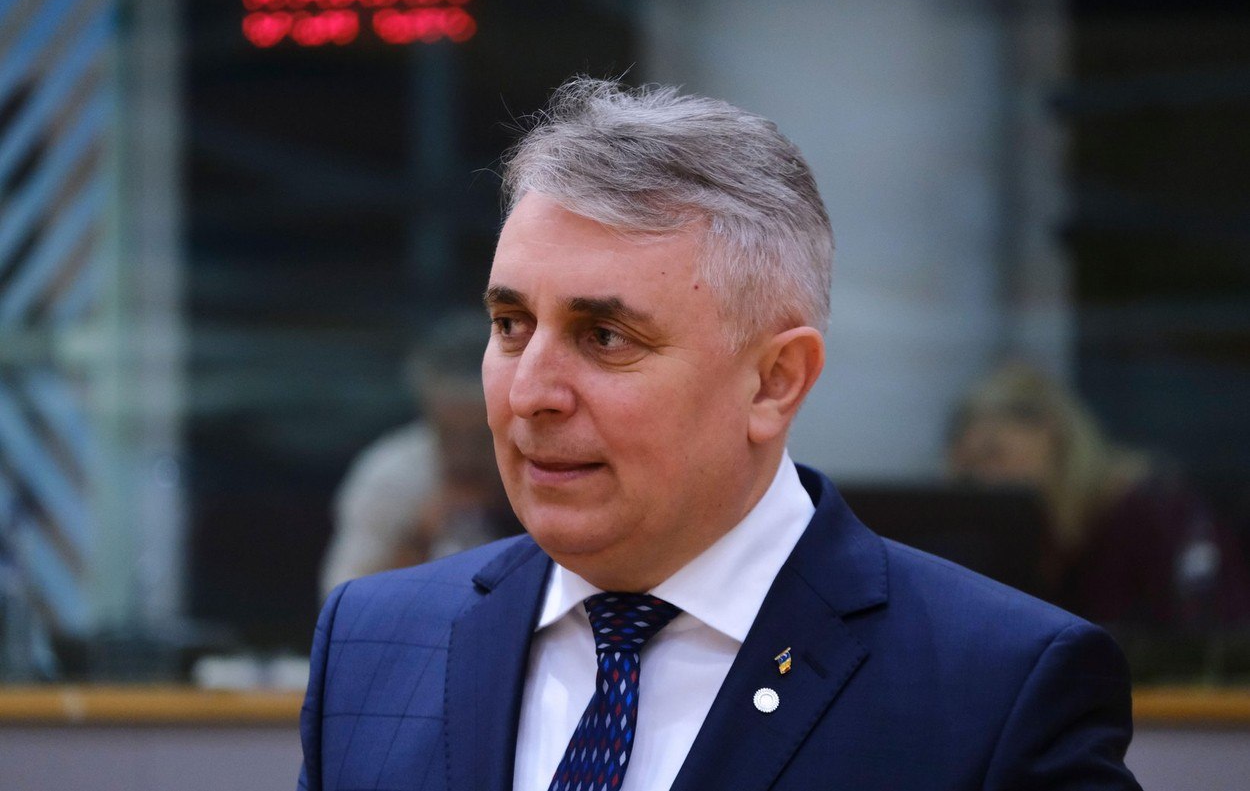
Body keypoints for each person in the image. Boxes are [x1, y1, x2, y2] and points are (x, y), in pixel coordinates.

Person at [298, 78, 1141, 790]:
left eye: (605, 337)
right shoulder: (373, 644)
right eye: (511, 324)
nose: (530, 393)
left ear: (775, 381)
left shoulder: (998, 691)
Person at [948, 361, 1250, 630]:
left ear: (1051, 435)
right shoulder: (1030, 545)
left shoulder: (1148, 513)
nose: (985, 480)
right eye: (970, 472)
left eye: (994, 455)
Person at [319, 310, 515, 596]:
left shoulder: (550, 466)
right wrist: (417, 541)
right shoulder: (392, 477)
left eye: (482, 437)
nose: (464, 457)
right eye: (447, 434)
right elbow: (342, 602)